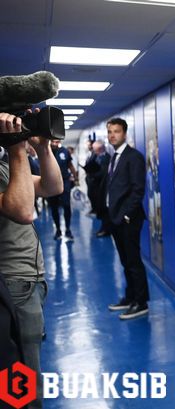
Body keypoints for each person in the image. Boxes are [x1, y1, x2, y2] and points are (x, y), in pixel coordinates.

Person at [0, 111, 63, 409]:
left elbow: (52, 188)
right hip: (11, 282)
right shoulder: (10, 160)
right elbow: (23, 210)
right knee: (22, 376)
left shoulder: (4, 165)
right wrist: (16, 148)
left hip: (28, 280)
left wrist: (42, 148)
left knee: (27, 365)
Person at [104, 118, 149, 320]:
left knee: (133, 261)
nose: (112, 135)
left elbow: (138, 190)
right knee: (125, 261)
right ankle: (131, 297)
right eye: (110, 132)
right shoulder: (114, 157)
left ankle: (141, 302)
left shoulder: (134, 157)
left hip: (129, 219)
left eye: (117, 131)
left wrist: (126, 215)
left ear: (124, 134)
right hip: (115, 218)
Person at [48, 139, 78, 241]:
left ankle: (68, 230)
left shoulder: (65, 151)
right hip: (51, 183)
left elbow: (70, 165)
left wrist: (75, 177)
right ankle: (58, 230)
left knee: (66, 205)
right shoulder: (46, 151)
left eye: (57, 142)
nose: (54, 143)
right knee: (54, 207)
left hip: (65, 181)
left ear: (59, 141)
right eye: (53, 141)